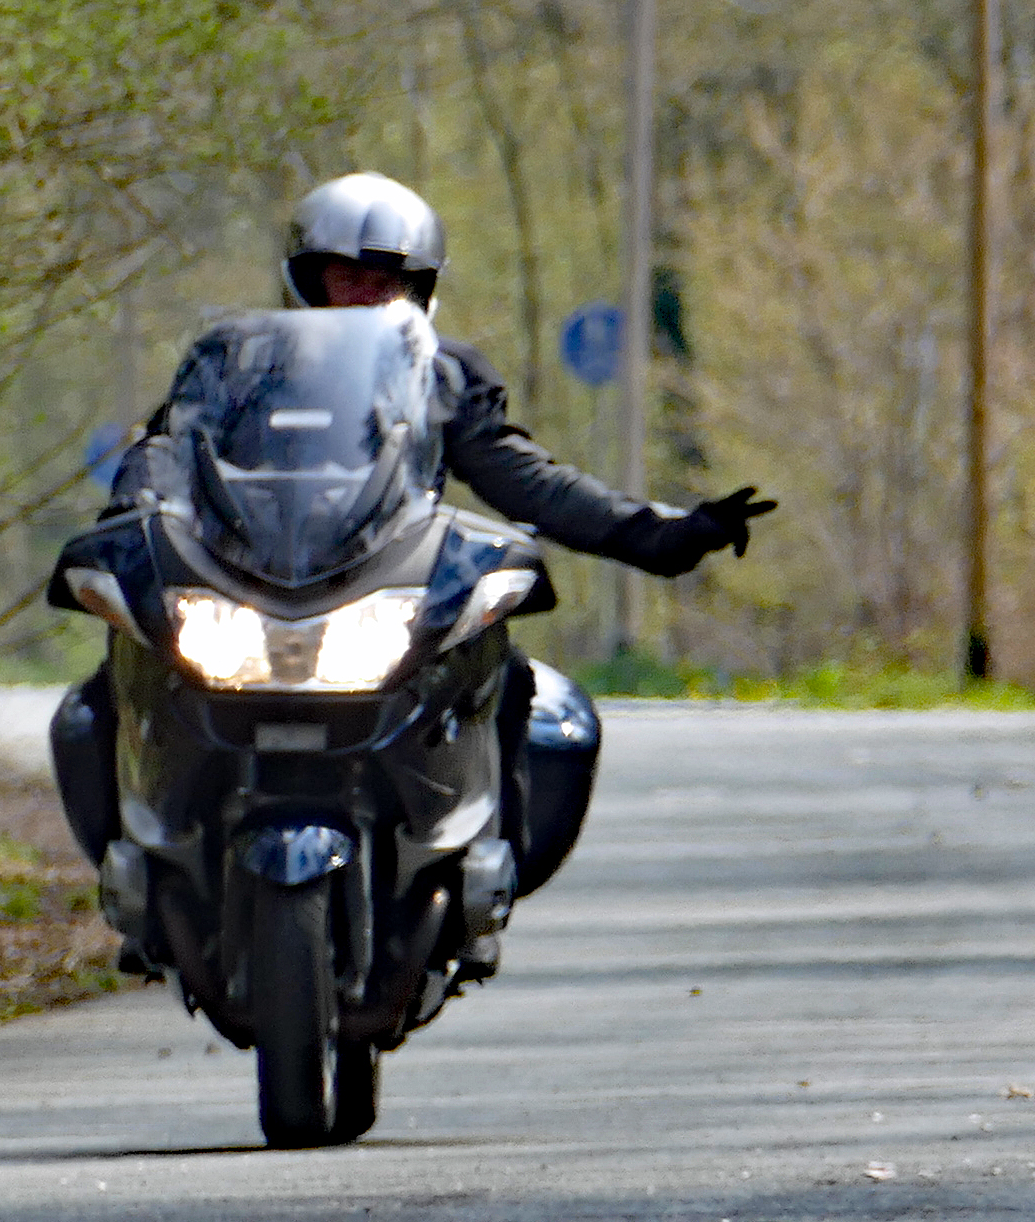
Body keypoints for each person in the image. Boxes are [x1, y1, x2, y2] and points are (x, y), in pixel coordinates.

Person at [47, 171, 770, 870]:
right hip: (247, 577)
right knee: (112, 683)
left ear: (419, 287)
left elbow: (524, 479)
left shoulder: (442, 372)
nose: (367, 292)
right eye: (347, 275)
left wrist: (662, 536)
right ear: (306, 277)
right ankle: (145, 862)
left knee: (512, 681)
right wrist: (135, 518)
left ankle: (480, 855)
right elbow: (170, 448)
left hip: (389, 578)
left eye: (387, 278)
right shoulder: (238, 364)